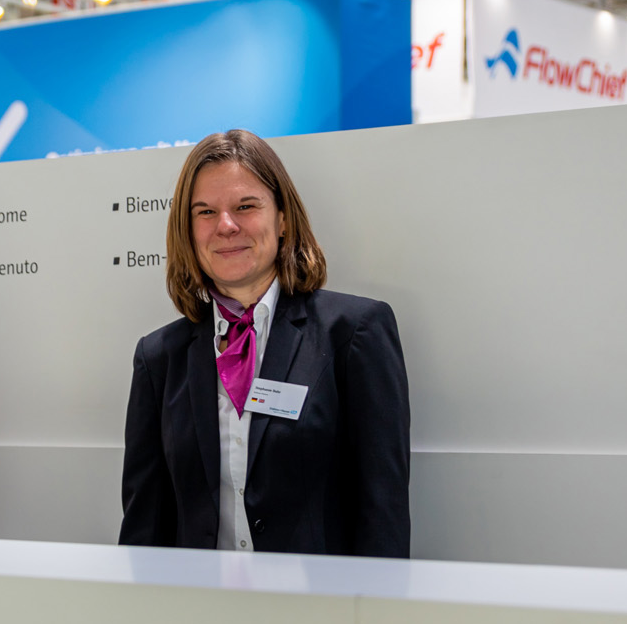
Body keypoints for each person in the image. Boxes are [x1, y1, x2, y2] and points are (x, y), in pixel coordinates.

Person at [118, 129, 410, 557]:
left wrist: (375, 601)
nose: (226, 226)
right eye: (205, 212)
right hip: (197, 597)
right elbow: (144, 523)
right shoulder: (158, 357)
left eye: (245, 206)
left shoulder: (354, 334)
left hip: (319, 598)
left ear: (283, 218)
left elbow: (382, 510)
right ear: (187, 230)